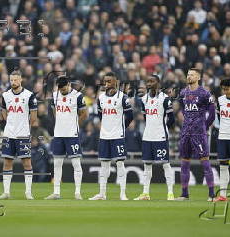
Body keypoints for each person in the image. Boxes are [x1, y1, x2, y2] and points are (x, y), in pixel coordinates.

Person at [89, 72, 133, 201]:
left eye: (109, 81)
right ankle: (102, 193)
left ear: (115, 82)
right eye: (105, 81)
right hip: (104, 136)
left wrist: (121, 127)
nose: (106, 83)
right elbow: (100, 115)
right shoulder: (101, 97)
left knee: (120, 164)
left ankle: (123, 194)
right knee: (104, 165)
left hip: (117, 136)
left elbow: (129, 116)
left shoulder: (123, 97)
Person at [175, 68, 216, 201]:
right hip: (186, 132)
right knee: (184, 162)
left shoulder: (204, 93)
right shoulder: (183, 92)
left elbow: (212, 112)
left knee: (205, 162)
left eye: (192, 75)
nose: (189, 76)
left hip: (199, 133)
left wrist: (205, 125)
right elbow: (182, 108)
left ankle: (211, 194)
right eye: (188, 74)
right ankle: (184, 194)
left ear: (198, 77)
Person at [0, 70, 38, 200]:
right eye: (11, 80)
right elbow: (4, 113)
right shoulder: (5, 95)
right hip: (9, 134)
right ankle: (6, 192)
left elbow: (33, 117)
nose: (13, 82)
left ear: (21, 80)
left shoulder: (29, 95)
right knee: (7, 162)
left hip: (23, 134)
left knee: (27, 163)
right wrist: (10, 123)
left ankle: (28, 192)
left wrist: (24, 127)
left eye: (15, 80)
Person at [45, 76, 87, 200]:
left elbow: (84, 113)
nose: (62, 91)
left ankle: (78, 192)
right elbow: (54, 111)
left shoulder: (78, 96)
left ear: (69, 84)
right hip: (58, 134)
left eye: (63, 89)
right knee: (57, 163)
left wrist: (74, 125)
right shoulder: (54, 96)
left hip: (72, 135)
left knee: (76, 164)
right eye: (60, 89)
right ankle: (56, 192)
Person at [134, 75, 175, 201]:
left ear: (158, 83)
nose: (149, 84)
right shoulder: (144, 99)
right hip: (147, 136)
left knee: (165, 164)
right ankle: (145, 193)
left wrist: (162, 129)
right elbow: (146, 117)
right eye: (148, 81)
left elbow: (171, 119)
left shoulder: (165, 99)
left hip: (160, 136)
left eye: (152, 81)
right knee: (147, 165)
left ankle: (170, 193)